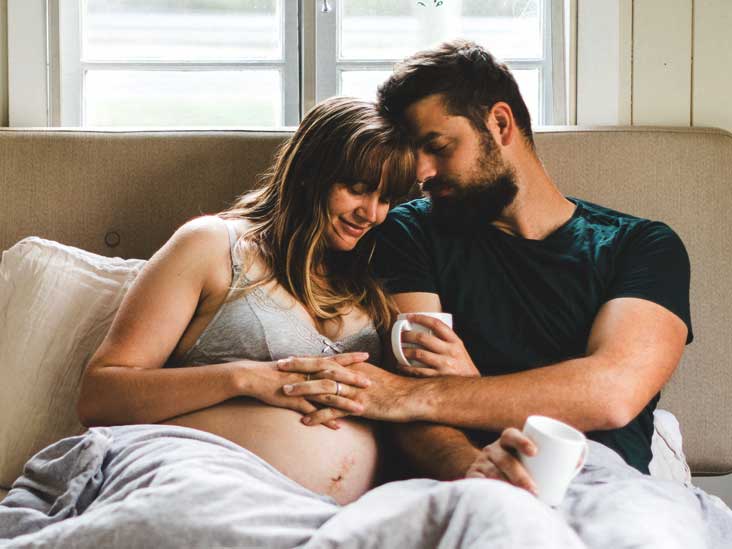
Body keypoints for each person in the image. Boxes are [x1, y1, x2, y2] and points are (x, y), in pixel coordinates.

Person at [1, 96, 589, 549]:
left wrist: (463, 405)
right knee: (183, 525)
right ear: (309, 174)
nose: (372, 213)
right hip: (198, 470)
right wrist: (247, 379)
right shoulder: (213, 246)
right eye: (357, 189)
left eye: (387, 198)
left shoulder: (375, 283)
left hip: (336, 517)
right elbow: (101, 393)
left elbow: (413, 412)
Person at [276, 41, 732, 547]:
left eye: (438, 146)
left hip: (604, 479)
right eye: (416, 154)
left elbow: (611, 393)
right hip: (469, 475)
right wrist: (477, 469)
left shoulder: (639, 246)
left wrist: (414, 393)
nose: (421, 173)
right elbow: (416, 421)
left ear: (499, 123)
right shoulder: (410, 233)